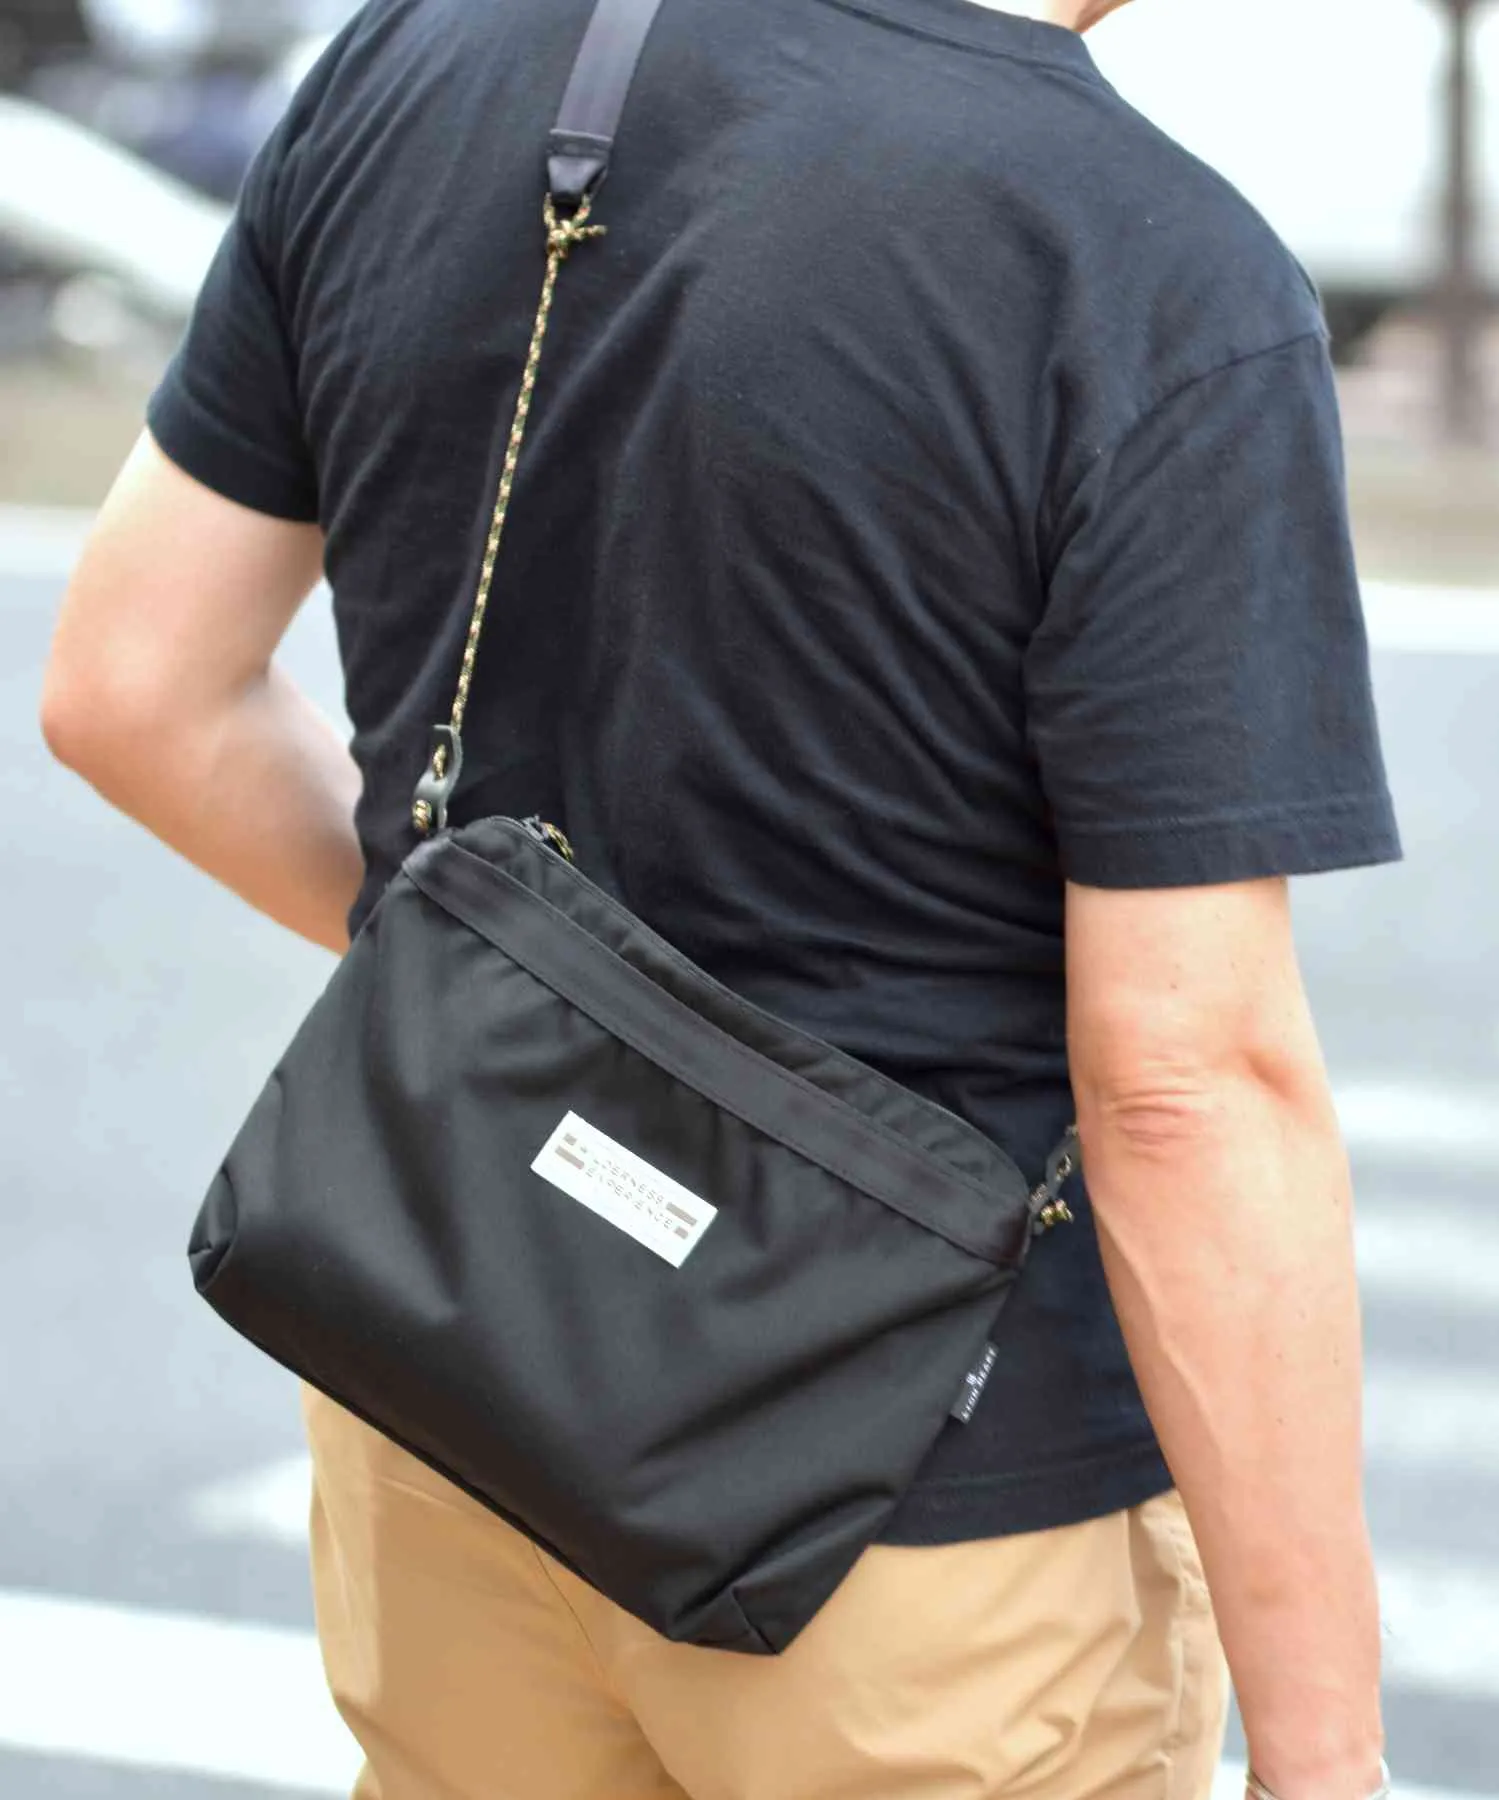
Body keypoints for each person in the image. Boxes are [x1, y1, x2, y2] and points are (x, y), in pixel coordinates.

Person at [40, 0, 1400, 1794]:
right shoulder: (1146, 259)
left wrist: (515, 999)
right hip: (913, 1509)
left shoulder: (419, 56)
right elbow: (1181, 1084)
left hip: (456, 1372)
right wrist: (1323, 1758)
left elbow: (132, 691)